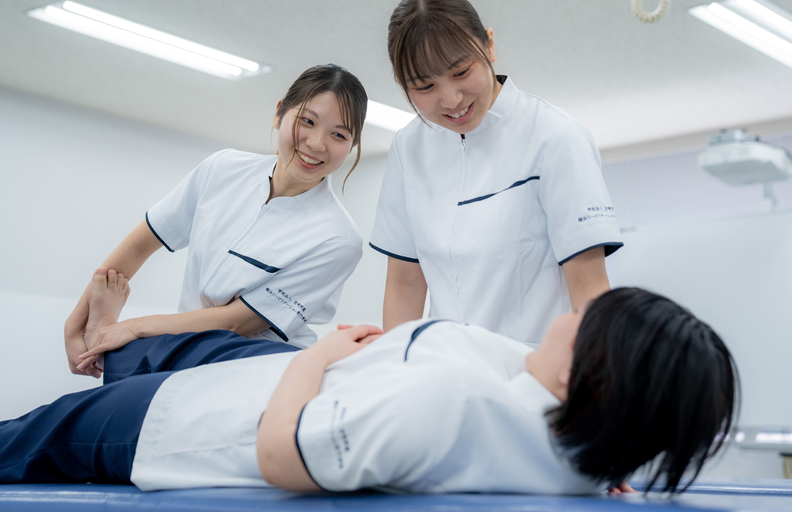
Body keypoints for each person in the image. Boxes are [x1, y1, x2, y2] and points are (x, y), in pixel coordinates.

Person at [0, 283, 738, 495]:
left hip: (199, 419)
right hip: (292, 367)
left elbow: (280, 458)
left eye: (586, 321)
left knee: (43, 429)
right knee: (155, 343)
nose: (571, 312)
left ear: (589, 376)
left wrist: (312, 359)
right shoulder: (575, 442)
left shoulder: (449, 401)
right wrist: (613, 459)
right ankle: (122, 338)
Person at [65, 64, 368, 378]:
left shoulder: (338, 239)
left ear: (352, 145)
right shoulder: (223, 169)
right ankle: (107, 340)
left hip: (257, 363)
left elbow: (237, 322)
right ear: (279, 114)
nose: (317, 144)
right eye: (307, 121)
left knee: (133, 357)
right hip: (185, 347)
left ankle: (113, 344)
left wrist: (132, 329)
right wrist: (75, 327)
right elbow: (142, 243)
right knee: (133, 364)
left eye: (338, 134)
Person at [370, 0, 624, 343]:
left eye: (460, 72)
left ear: (489, 45)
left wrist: (594, 385)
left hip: (532, 373)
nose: (451, 99)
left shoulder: (555, 137)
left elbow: (590, 287)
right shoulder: (407, 147)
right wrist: (393, 370)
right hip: (443, 372)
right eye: (425, 86)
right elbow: (405, 282)